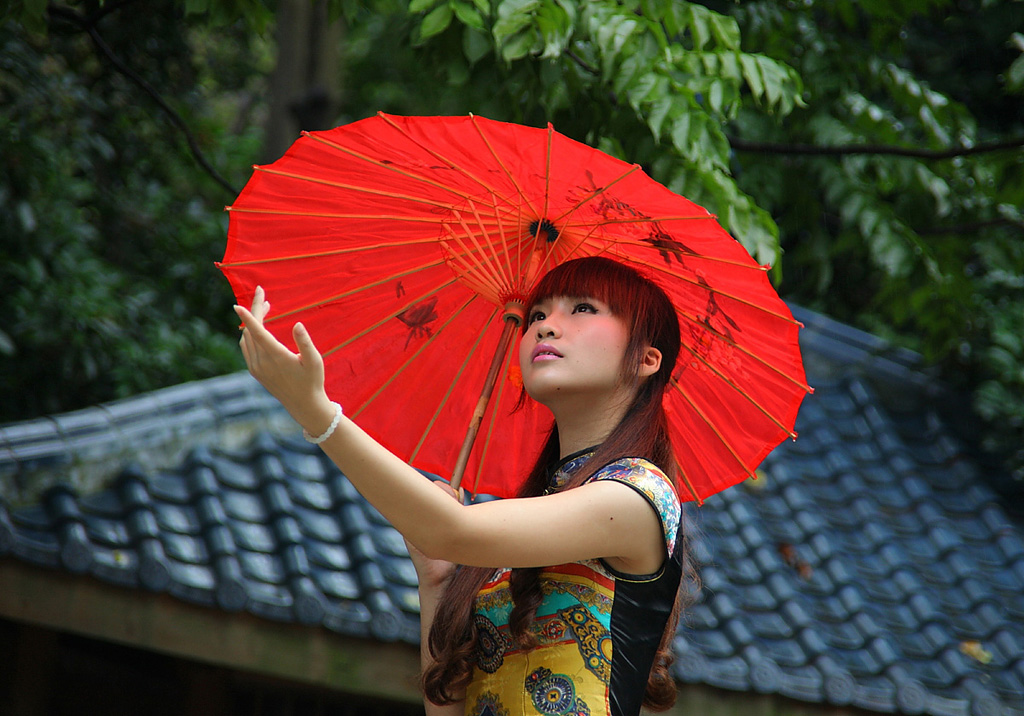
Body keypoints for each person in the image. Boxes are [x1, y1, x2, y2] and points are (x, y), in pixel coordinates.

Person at [235, 256, 694, 716]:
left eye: (582, 309)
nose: (546, 327)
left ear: (646, 358)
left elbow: (450, 529)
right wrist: (436, 582)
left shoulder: (640, 495)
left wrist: (317, 414)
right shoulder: (532, 517)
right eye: (537, 315)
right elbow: (449, 708)